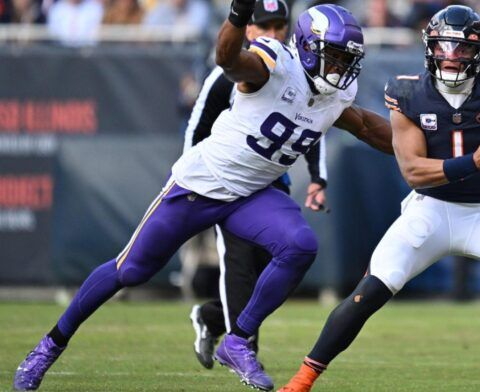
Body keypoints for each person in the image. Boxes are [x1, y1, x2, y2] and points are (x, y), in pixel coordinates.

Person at [13, 3, 392, 391]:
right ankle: (49, 345)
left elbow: (364, 126)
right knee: (130, 270)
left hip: (251, 194)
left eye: (348, 60)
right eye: (335, 57)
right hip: (202, 185)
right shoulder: (275, 62)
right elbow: (228, 59)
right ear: (310, 49)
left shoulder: (337, 93)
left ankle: (237, 339)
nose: (341, 69)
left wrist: (424, 150)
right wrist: (238, 14)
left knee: (299, 245)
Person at [279, 5, 480, 391]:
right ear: (429, 48)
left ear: (478, 52)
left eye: (461, 50)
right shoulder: (408, 92)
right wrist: (475, 161)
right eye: (444, 48)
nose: (451, 57)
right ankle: (301, 380)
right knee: (369, 293)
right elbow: (414, 170)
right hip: (428, 213)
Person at [184, 0, 328, 370]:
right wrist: (192, 182)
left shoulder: (295, 68)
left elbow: (315, 125)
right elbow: (198, 127)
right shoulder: (231, 71)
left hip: (271, 183)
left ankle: (213, 318)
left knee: (276, 267)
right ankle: (243, 349)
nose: (275, 35)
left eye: (281, 27)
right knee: (241, 263)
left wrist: (317, 177)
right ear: (248, 31)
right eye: (265, 27)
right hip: (229, 181)